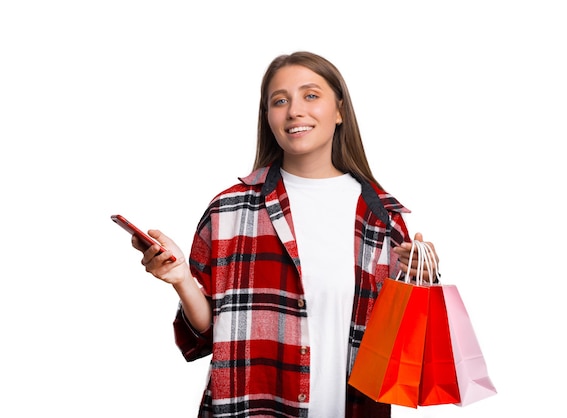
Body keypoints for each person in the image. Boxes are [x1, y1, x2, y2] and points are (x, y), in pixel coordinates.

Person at [132, 51, 440, 418]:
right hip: (254, 407)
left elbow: (404, 353)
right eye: (280, 101)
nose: (294, 111)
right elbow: (206, 332)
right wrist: (181, 279)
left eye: (311, 95)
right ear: (268, 118)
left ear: (340, 110)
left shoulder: (383, 218)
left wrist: (422, 283)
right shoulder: (229, 210)